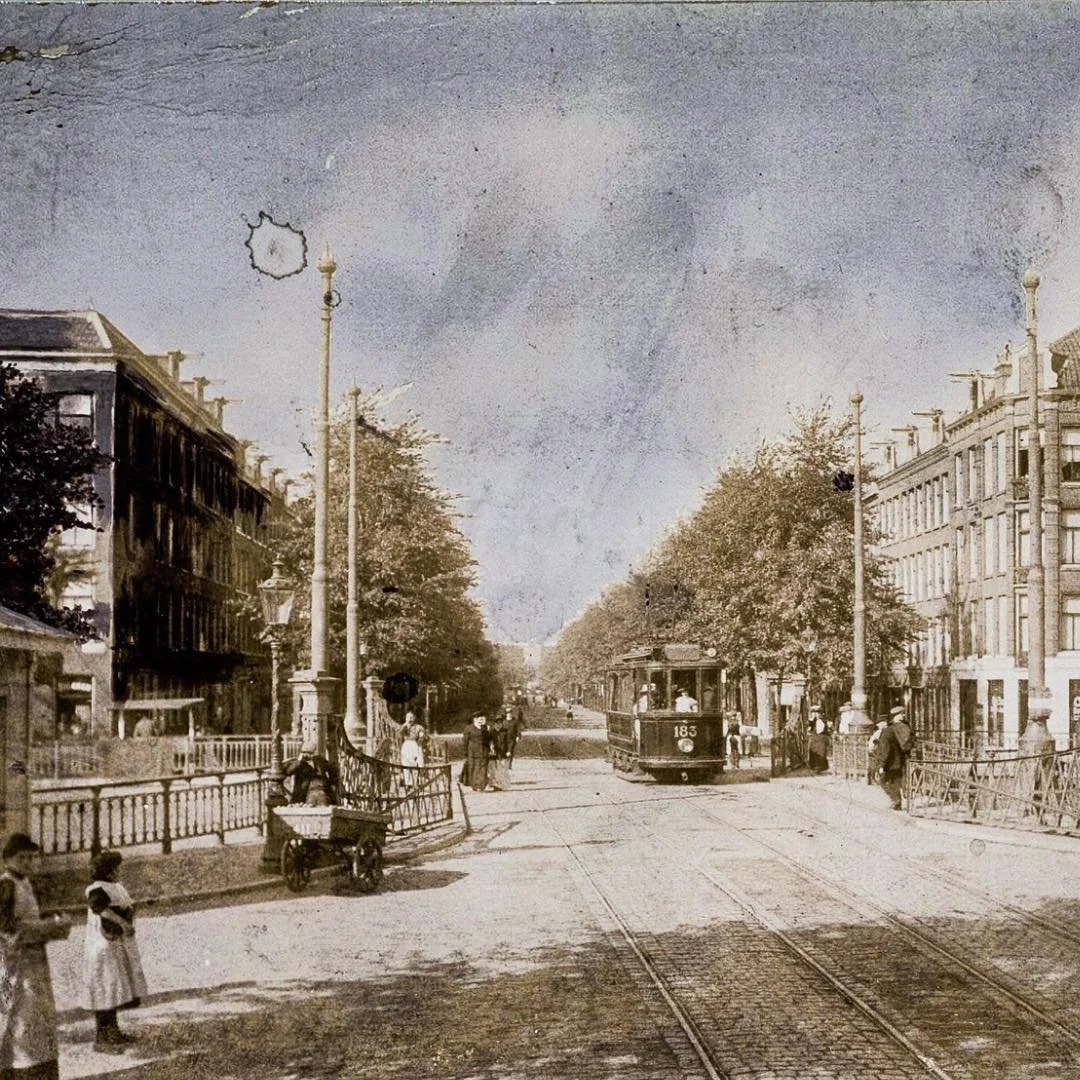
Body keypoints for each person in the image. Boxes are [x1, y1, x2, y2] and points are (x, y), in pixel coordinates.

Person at [0, 833, 71, 1080]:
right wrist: (48, 927)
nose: (29, 863)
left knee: (37, 1018)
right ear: (8, 859)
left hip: (34, 961)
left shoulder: (25, 883)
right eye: (23, 858)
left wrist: (53, 927)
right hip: (13, 965)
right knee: (20, 1018)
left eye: (32, 858)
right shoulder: (6, 885)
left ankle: (39, 1070)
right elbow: (7, 929)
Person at [84, 850, 147, 1054]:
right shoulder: (97, 889)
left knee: (115, 987)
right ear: (109, 871)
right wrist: (122, 922)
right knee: (105, 986)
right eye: (117, 868)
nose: (120, 870)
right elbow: (100, 909)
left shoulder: (116, 887)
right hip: (102, 944)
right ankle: (102, 1038)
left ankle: (113, 1031)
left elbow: (125, 905)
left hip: (116, 944)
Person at [875, 706, 913, 810]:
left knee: (883, 780)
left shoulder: (888, 731)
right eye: (902, 714)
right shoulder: (903, 727)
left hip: (890, 762)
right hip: (900, 761)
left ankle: (896, 801)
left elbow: (885, 749)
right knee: (895, 782)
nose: (904, 715)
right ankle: (898, 802)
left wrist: (881, 764)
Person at [282, 740, 339, 806]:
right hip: (304, 795)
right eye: (303, 752)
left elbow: (332, 770)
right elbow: (287, 771)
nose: (306, 754)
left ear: (313, 752)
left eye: (308, 752)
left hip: (322, 792)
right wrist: (299, 761)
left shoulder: (320, 760)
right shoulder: (298, 764)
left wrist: (333, 784)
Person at [460, 715, 489, 792]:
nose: (481, 721)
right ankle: (475, 785)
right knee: (474, 769)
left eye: (482, 719)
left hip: (484, 752)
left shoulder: (486, 728)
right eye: (479, 719)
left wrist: (488, 731)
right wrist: (465, 752)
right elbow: (465, 741)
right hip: (473, 753)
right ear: (475, 720)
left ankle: (481, 785)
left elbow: (488, 739)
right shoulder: (469, 728)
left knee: (483, 769)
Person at [867, 717, 888, 785]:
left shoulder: (881, 731)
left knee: (875, 764)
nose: (886, 724)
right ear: (879, 725)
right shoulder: (879, 732)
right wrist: (872, 749)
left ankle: (872, 778)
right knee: (876, 765)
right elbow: (872, 742)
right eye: (884, 723)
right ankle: (873, 778)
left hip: (877, 750)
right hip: (877, 751)